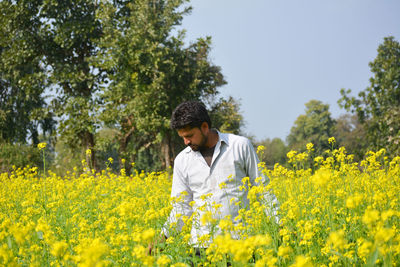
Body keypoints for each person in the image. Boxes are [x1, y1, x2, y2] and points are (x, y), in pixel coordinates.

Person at [153, 101, 278, 253]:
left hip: (240, 244)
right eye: (182, 138)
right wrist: (162, 238)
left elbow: (263, 189)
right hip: (201, 246)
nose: (186, 142)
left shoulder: (240, 146)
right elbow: (181, 207)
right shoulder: (182, 160)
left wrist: (280, 225)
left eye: (190, 136)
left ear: (204, 127)